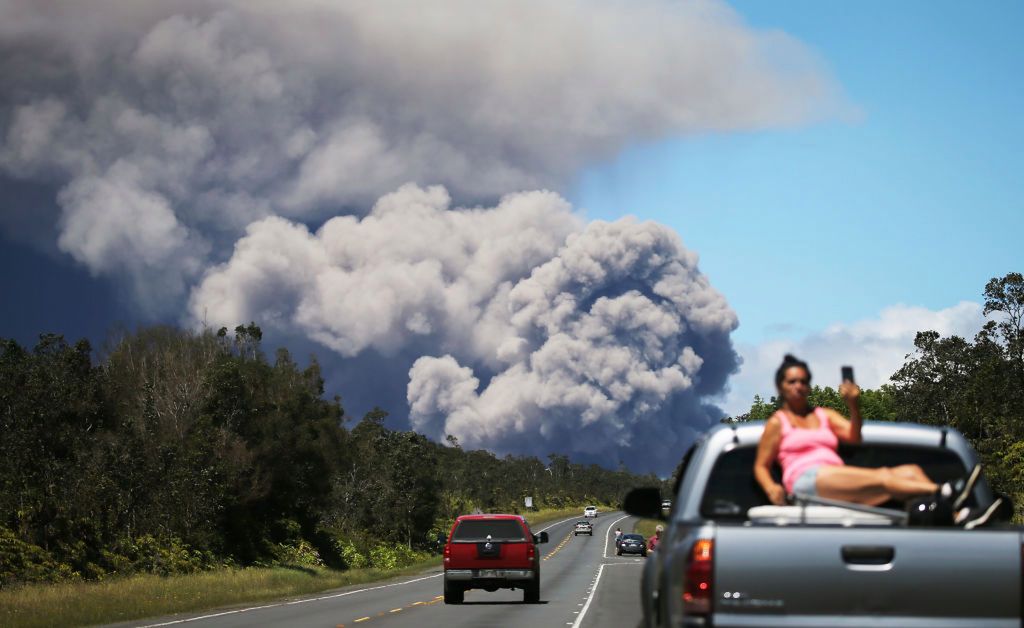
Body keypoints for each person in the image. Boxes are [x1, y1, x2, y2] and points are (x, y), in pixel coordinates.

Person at [753, 354, 979, 518]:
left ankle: (958, 516)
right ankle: (947, 491)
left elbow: (854, 438)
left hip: (836, 477)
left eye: (803, 381)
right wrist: (772, 488)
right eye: (792, 382)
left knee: (911, 471)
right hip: (806, 480)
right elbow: (761, 466)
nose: (798, 387)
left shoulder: (824, 415)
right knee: (883, 477)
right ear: (780, 387)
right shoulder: (778, 422)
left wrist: (853, 405)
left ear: (809, 387)